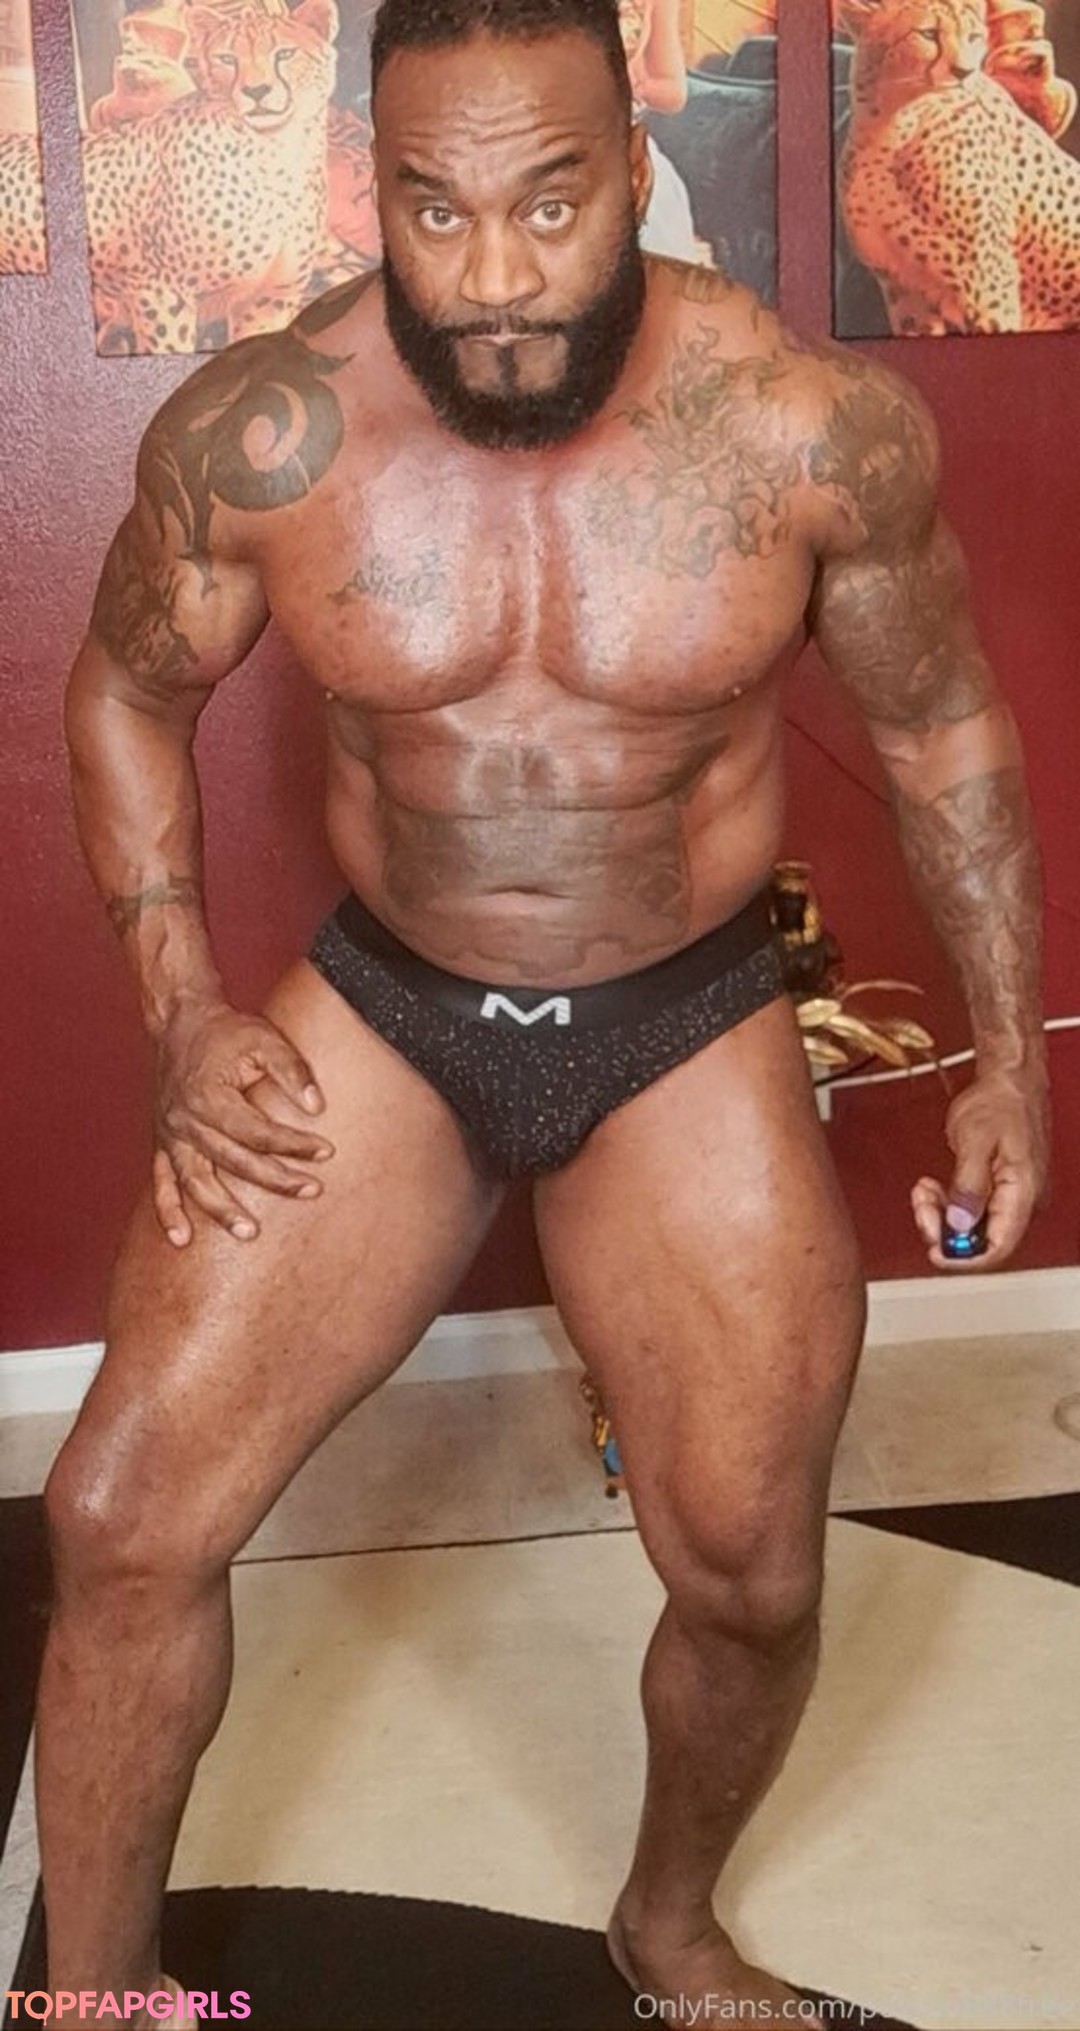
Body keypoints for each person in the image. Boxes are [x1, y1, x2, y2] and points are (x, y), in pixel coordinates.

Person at [44, 1, 1050, 2026]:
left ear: (636, 158)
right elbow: (124, 692)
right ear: (370, 187)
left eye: (551, 202)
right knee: (122, 1520)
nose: (495, 275)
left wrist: (1011, 1055)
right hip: (391, 1007)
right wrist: (181, 1007)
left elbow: (941, 724)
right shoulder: (271, 431)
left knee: (753, 1572)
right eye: (437, 209)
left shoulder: (803, 427)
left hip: (680, 1017)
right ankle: (98, 1996)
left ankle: (666, 1928)